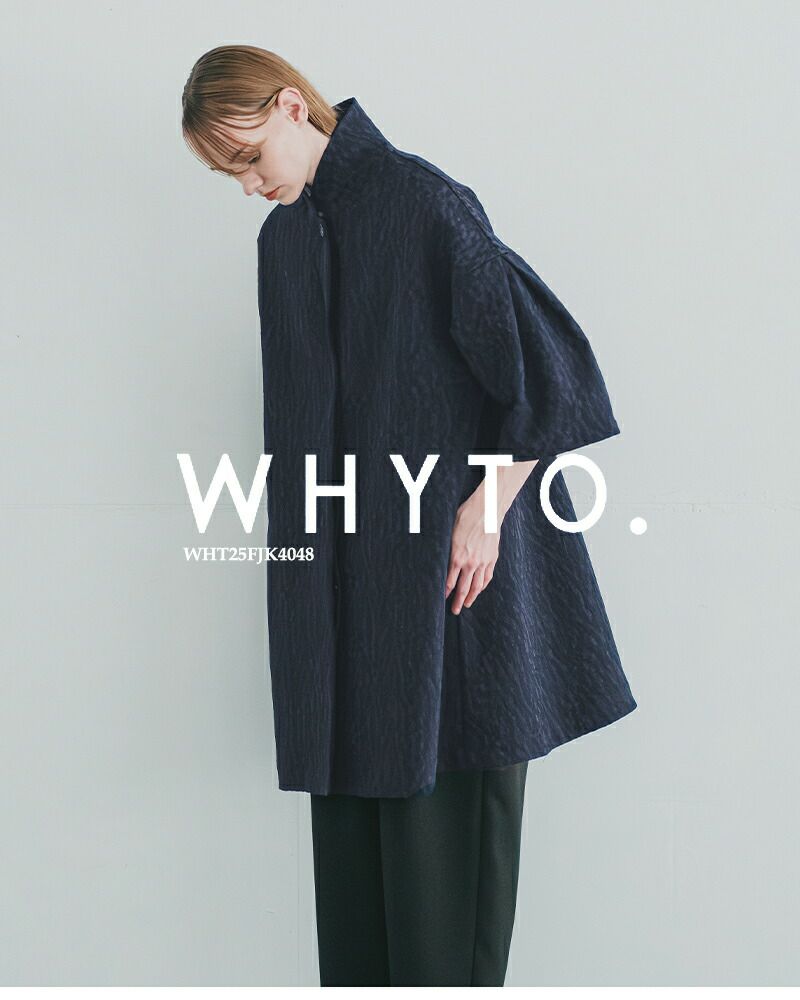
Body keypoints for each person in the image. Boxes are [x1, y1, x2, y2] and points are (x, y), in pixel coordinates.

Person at [182, 45, 637, 986]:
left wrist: (488, 510)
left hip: (450, 606)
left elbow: (552, 375)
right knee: (358, 941)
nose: (249, 186)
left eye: (248, 158)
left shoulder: (426, 204)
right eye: (230, 175)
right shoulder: (284, 245)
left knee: (441, 932)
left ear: (292, 107)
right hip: (344, 631)